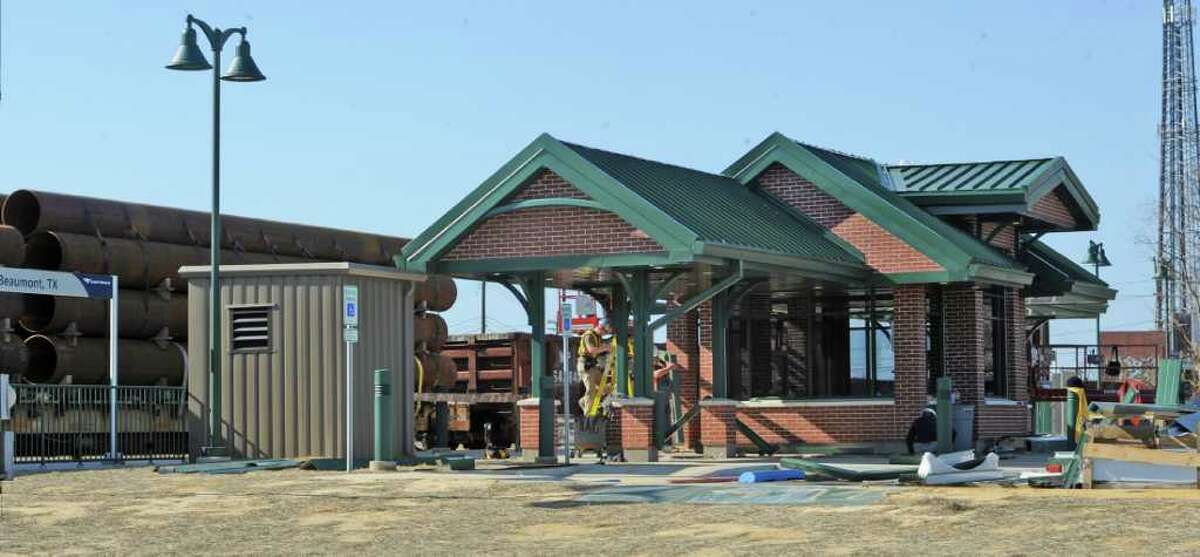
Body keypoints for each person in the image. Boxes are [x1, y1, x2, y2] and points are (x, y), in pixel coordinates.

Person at [577, 319, 612, 413]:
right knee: (591, 390)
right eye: (605, 332)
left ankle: (583, 401)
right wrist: (605, 348)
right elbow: (591, 350)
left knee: (607, 387)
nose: (604, 334)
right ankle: (588, 416)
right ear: (600, 328)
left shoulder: (598, 337)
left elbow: (600, 350)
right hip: (585, 365)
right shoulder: (589, 335)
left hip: (593, 366)